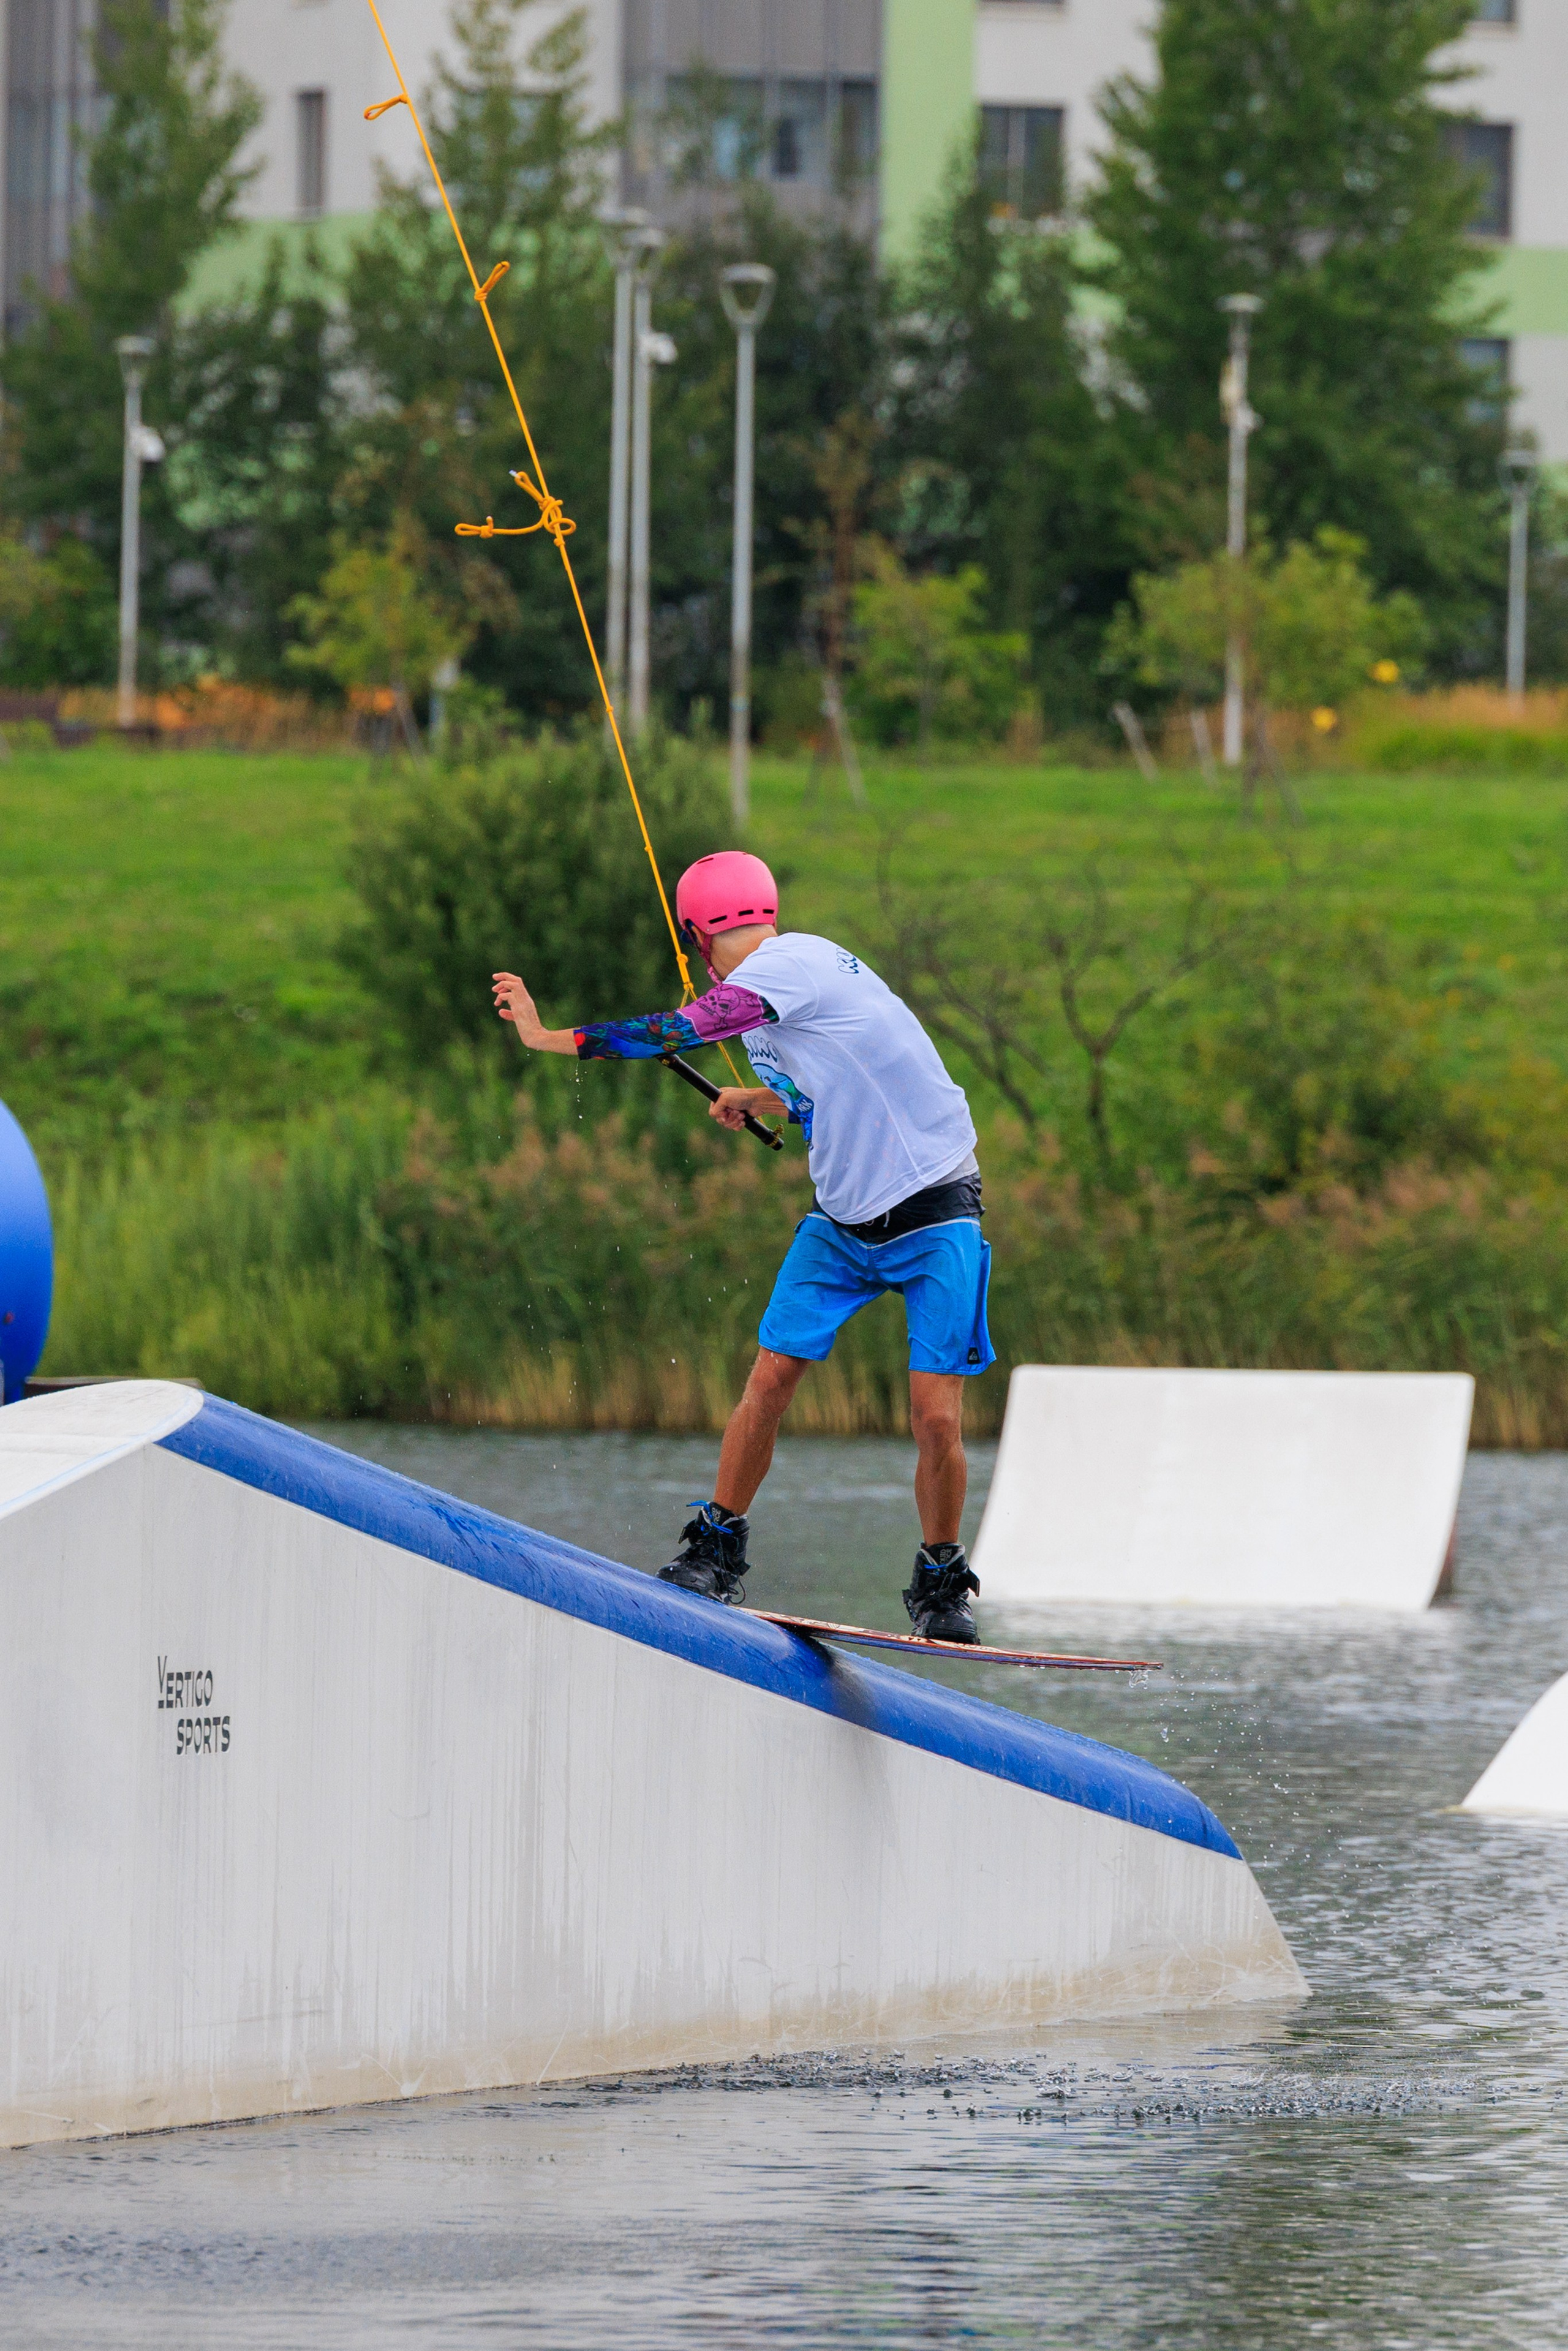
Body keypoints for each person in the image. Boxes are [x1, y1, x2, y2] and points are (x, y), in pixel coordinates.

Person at [491, 849, 993, 1643]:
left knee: (935, 1416)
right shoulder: (771, 1001)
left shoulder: (788, 967)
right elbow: (817, 1086)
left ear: (693, 934)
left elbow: (671, 1032)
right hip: (843, 1223)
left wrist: (547, 1036)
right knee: (769, 1379)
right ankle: (718, 1548)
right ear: (763, 907)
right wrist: (762, 1096)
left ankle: (940, 1581)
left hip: (936, 1213)